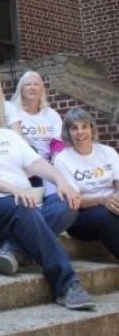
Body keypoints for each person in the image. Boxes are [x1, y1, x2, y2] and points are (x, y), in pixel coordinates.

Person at [0, 88, 94, 310]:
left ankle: (12, 249)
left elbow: (35, 163)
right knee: (23, 206)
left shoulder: (7, 135)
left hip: (23, 206)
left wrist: (61, 181)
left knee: (67, 204)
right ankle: (66, 285)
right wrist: (14, 189)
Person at [54, 107, 119, 259]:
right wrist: (103, 200)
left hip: (113, 205)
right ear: (68, 133)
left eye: (84, 126)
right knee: (105, 215)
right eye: (74, 128)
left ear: (91, 128)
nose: (80, 132)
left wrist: (116, 199)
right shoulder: (62, 160)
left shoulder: (107, 152)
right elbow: (74, 199)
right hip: (81, 217)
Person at [10, 71, 62, 161]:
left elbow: (58, 142)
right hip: (23, 164)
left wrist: (54, 162)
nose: (32, 87)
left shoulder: (51, 114)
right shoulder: (13, 112)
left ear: (41, 90)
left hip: (49, 164)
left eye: (36, 84)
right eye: (28, 84)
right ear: (21, 89)